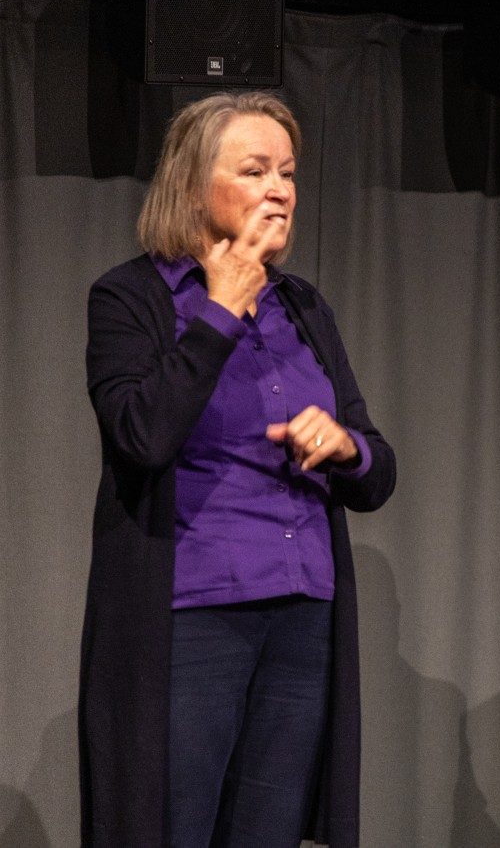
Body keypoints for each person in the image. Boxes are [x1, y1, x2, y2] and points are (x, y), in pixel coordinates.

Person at [80, 92, 396, 847]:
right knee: (171, 826)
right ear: (193, 185)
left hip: (302, 613)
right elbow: (141, 435)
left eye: (287, 172)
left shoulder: (304, 309)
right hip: (192, 615)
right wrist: (220, 311)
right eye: (255, 170)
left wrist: (347, 446)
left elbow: (378, 469)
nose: (280, 189)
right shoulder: (132, 298)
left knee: (268, 832)